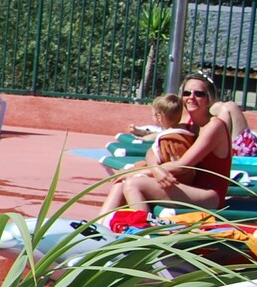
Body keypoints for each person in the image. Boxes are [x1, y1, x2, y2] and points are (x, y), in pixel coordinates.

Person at [98, 73, 230, 214]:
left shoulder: (214, 126)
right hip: (189, 187)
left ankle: (141, 229)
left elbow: (182, 165)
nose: (191, 97)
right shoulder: (188, 124)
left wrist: (140, 171)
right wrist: (155, 168)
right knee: (121, 183)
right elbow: (152, 151)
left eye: (199, 94)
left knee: (133, 184)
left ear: (209, 99)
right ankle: (99, 227)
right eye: (187, 93)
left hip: (209, 195)